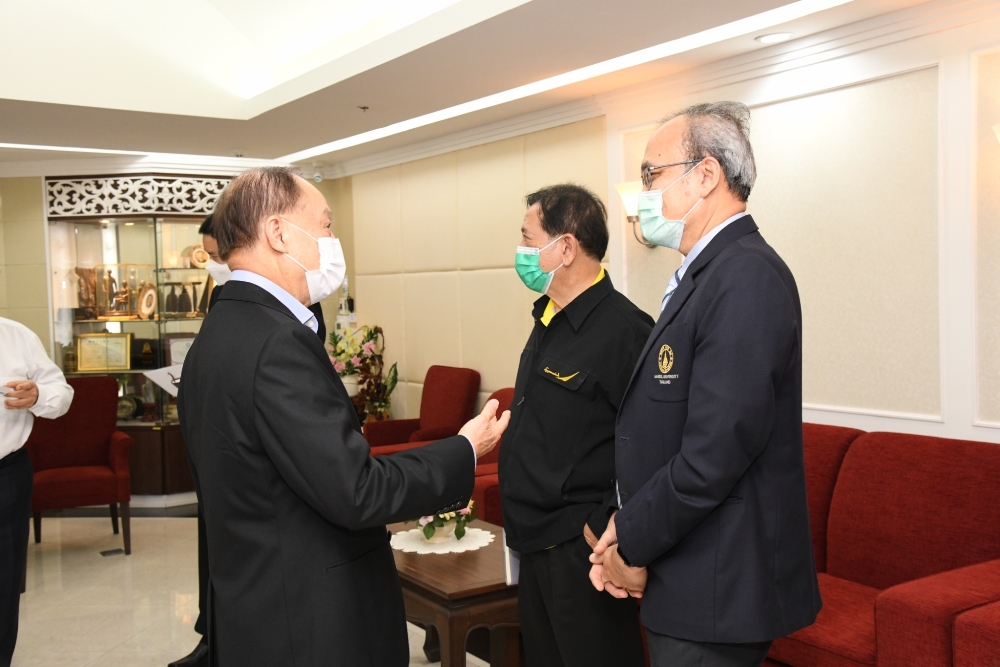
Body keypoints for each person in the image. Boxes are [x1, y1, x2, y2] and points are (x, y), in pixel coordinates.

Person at [178, 166, 510, 667]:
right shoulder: (277, 342)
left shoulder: (217, 333)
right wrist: (464, 449)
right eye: (327, 225)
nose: (333, 241)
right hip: (310, 624)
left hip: (256, 610)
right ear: (278, 233)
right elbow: (358, 490)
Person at [589, 102, 822, 667]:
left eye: (652, 174)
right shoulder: (711, 272)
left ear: (706, 175)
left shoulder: (745, 275)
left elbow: (714, 455)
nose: (644, 192)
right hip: (690, 574)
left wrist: (631, 540)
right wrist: (622, 527)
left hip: (717, 585)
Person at [172, 211, 336, 667]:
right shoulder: (234, 307)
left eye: (217, 254)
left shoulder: (291, 306)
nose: (216, 263)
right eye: (210, 256)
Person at [499, 184, 652, 667]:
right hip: (532, 543)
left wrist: (605, 523)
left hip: (581, 549)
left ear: (565, 247)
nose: (521, 251)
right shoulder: (548, 317)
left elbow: (652, 444)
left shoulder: (628, 331)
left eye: (528, 239)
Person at [0, 317, 74, 664]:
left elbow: (61, 395)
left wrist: (39, 395)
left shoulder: (16, 336)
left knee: (4, 587)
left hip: (6, 477)